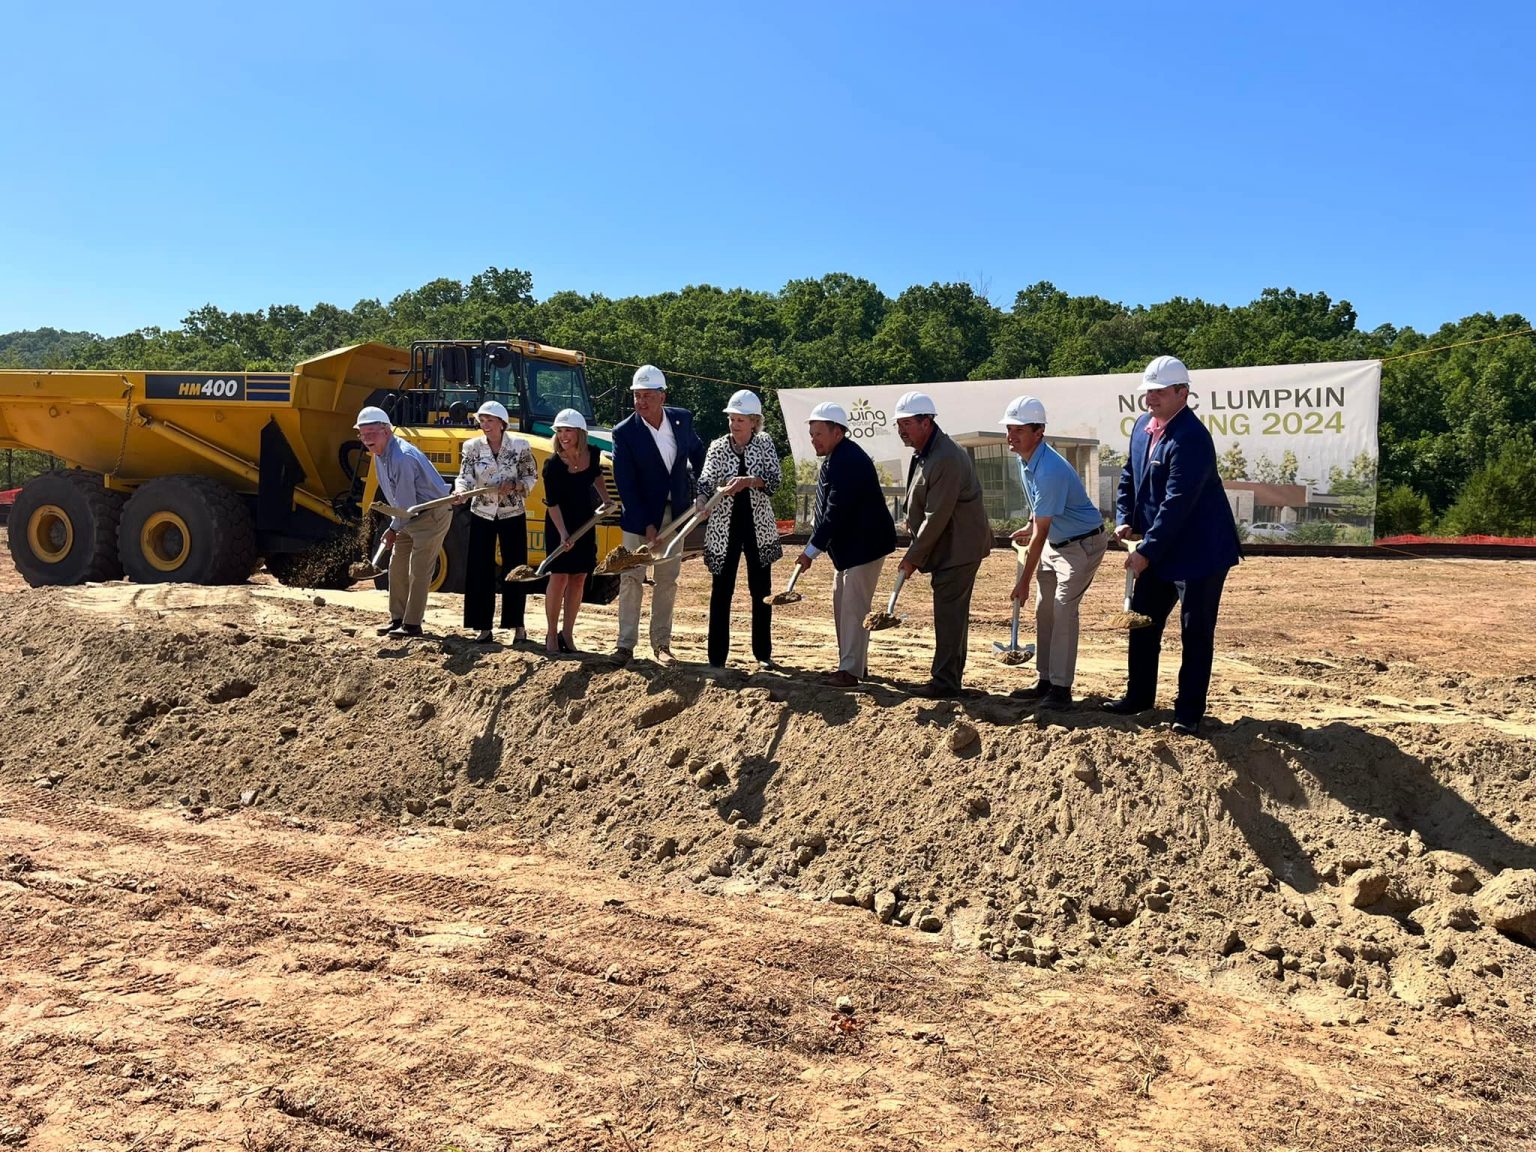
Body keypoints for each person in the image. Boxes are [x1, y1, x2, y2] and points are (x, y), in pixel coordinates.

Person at [1104, 355, 1241, 735]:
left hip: (1200, 553)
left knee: (1194, 632)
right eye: (1148, 392)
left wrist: (1146, 552)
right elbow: (1130, 475)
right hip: (1159, 547)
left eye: (1159, 392)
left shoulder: (1192, 438)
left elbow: (1177, 502)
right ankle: (1139, 697)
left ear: (1183, 393)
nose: (1150, 399)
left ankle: (1188, 712)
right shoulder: (1141, 428)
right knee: (1143, 623)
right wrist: (1124, 519)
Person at [1001, 395, 1109, 710]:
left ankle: (1061, 689)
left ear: (1039, 432)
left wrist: (1022, 582)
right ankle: (1045, 680)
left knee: (1063, 609)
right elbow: (1040, 513)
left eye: (1019, 430)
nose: (1011, 436)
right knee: (1043, 609)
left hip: (1082, 544)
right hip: (1055, 542)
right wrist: (1030, 522)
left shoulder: (1048, 469)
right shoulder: (1026, 459)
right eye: (1009, 429)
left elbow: (1043, 531)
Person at [894, 391, 994, 699]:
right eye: (899, 424)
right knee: (950, 615)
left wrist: (912, 557)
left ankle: (945, 683)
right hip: (950, 547)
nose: (902, 430)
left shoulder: (946, 457)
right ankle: (947, 678)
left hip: (959, 549)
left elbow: (937, 517)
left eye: (908, 423)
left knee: (949, 615)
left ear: (927, 422)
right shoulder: (926, 452)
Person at [794, 402, 896, 687]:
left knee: (852, 608)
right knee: (844, 604)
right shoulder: (837, 458)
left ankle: (850, 672)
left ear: (837, 432)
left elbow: (835, 511)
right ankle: (852, 666)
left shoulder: (847, 460)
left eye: (818, 434)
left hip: (864, 548)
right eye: (812, 434)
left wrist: (811, 551)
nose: (814, 439)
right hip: (852, 549)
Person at [610, 364, 705, 666]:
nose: (641, 402)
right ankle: (625, 645)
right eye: (637, 396)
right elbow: (625, 484)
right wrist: (647, 525)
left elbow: (699, 452)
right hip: (639, 517)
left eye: (647, 396)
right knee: (631, 577)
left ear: (663, 396)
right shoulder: (624, 433)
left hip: (675, 513)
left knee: (667, 579)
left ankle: (661, 643)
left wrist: (703, 490)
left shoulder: (682, 420)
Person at [697, 390, 783, 670]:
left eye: (740, 420)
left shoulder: (765, 443)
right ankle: (717, 657)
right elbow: (706, 479)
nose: (734, 425)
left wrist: (749, 481)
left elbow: (774, 479)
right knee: (721, 590)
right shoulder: (718, 446)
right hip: (724, 528)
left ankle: (763, 652)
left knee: (762, 590)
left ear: (754, 422)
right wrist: (701, 499)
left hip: (758, 527)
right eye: (732, 419)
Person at [356, 405, 452, 639]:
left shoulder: (401, 457)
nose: (367, 438)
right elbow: (398, 500)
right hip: (407, 516)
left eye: (372, 433)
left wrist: (392, 528)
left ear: (387, 431)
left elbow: (407, 503)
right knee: (397, 567)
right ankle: (397, 618)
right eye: (362, 433)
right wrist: (395, 526)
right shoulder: (379, 455)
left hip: (430, 515)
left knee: (419, 570)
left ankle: (412, 624)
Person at [453, 400, 538, 644]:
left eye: (490, 420)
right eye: (482, 420)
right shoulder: (472, 447)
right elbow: (465, 476)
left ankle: (517, 625)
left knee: (515, 568)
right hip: (482, 511)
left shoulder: (520, 446)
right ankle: (482, 626)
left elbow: (530, 475)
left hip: (512, 511)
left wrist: (515, 486)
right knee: (479, 567)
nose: (486, 425)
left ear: (502, 423)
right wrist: (459, 491)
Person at [541, 407, 609, 655]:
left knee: (579, 577)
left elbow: (597, 475)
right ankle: (550, 633)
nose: (563, 435)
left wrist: (606, 499)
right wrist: (562, 534)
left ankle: (567, 633)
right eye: (559, 431)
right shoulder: (552, 466)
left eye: (567, 430)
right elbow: (552, 504)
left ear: (580, 432)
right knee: (558, 577)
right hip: (560, 524)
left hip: (584, 522)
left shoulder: (593, 453)